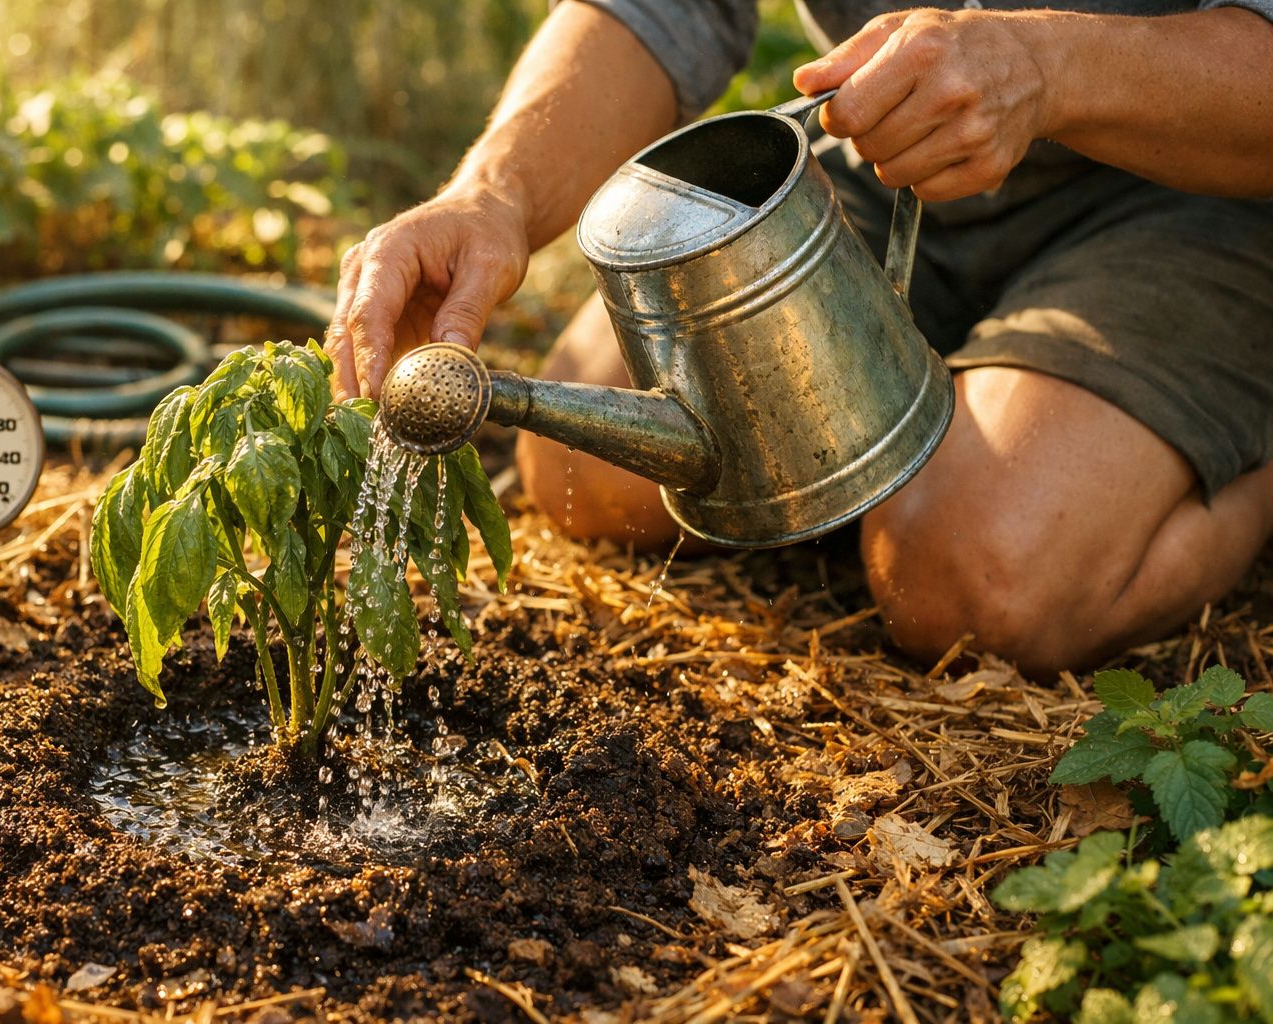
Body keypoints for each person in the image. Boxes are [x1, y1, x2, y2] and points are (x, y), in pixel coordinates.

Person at [323, 0, 1273, 674]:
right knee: (589, 479)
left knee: (970, 586)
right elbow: (653, 14)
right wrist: (491, 196)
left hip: (1186, 185)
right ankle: (984, 429)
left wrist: (1047, 65)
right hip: (891, 157)